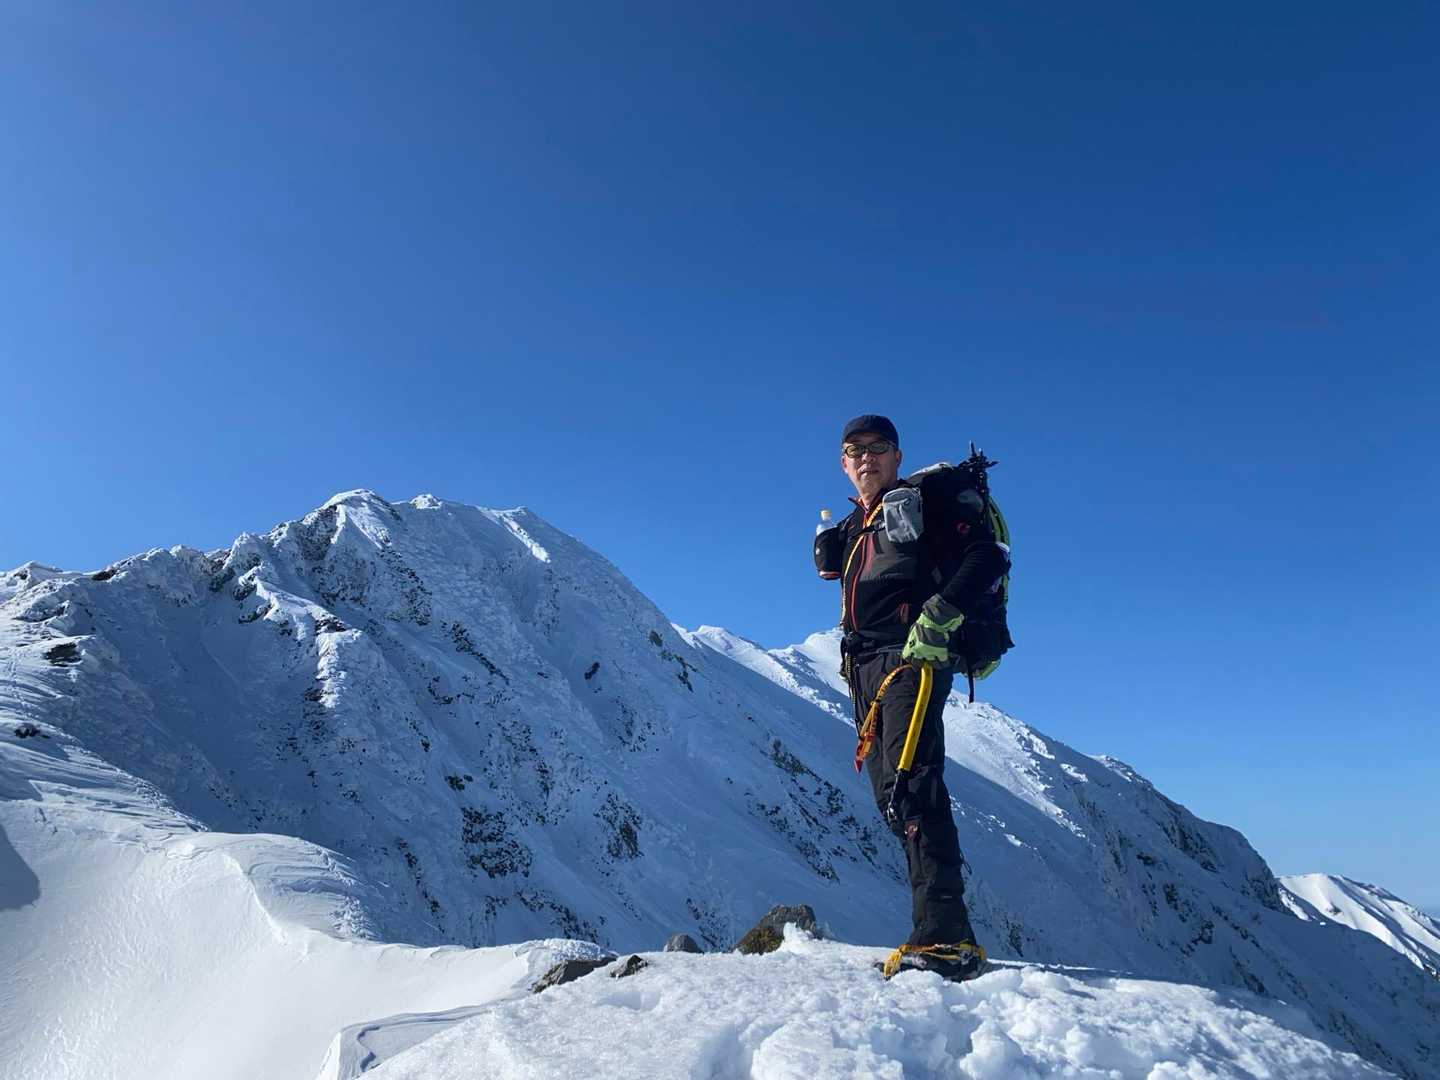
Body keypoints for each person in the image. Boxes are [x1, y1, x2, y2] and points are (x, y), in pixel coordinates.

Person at [817, 414, 1010, 980]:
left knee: (912, 783)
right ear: (843, 464)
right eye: (855, 450)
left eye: (878, 447)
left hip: (911, 657)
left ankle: (945, 939)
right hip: (864, 667)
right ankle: (942, 931)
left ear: (897, 457)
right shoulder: (861, 522)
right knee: (892, 796)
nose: (866, 458)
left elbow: (988, 556)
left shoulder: (923, 503)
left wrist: (938, 616)